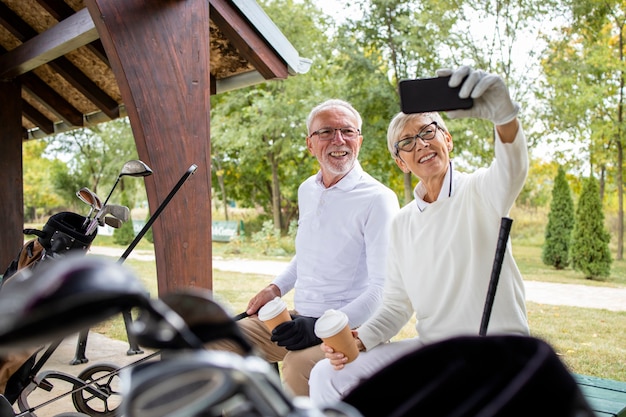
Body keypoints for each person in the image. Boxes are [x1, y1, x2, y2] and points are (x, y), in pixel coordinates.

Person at [308, 66, 530, 405]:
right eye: (407, 143)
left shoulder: (482, 191)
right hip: (434, 351)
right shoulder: (402, 223)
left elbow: (512, 168)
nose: (421, 145)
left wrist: (504, 115)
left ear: (448, 139)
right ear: (401, 161)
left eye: (428, 132)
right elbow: (397, 305)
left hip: (497, 352)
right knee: (327, 374)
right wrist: (360, 339)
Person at [211, 99, 400, 397]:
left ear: (359, 140)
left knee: (297, 365)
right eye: (325, 132)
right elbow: (308, 254)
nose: (339, 140)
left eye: (347, 131)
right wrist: (275, 289)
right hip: (298, 319)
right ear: (310, 144)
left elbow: (380, 289)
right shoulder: (307, 190)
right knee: (217, 340)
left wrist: (317, 328)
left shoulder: (378, 198)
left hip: (346, 330)